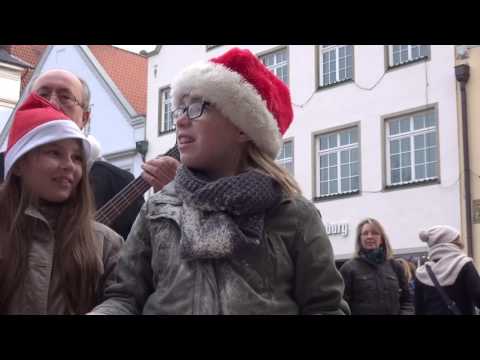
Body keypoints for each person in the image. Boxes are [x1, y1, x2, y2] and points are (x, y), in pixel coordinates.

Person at [89, 47, 350, 315]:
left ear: (242, 126)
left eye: (196, 108)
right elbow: (125, 298)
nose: (180, 120)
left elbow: (325, 307)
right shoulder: (157, 209)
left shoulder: (294, 215)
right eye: (179, 109)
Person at [0, 69, 179, 240]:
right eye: (42, 95)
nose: (52, 103)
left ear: (85, 118)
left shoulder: (117, 182)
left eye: (65, 97)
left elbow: (141, 259)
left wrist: (168, 200)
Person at [0, 92, 123, 314]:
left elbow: (123, 299)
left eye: (76, 158)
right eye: (54, 153)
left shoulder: (106, 242)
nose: (69, 165)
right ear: (18, 165)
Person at [340, 218, 413, 314]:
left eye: (374, 233)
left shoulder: (395, 267)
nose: (369, 236)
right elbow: (341, 304)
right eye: (365, 233)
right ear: (360, 239)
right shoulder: (349, 268)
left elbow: (407, 300)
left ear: (382, 239)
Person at [414, 225, 480, 315]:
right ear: (452, 243)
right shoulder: (463, 264)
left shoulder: (422, 273)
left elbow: (419, 308)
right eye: (458, 239)